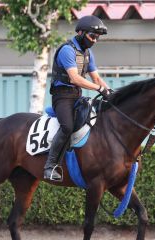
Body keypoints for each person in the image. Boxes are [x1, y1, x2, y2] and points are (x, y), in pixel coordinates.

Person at [43, 15, 112, 181]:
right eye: (92, 36)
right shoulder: (67, 50)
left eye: (97, 38)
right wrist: (99, 89)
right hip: (62, 97)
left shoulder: (88, 54)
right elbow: (74, 78)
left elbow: (96, 78)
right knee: (67, 126)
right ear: (81, 33)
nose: (95, 40)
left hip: (77, 96)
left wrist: (110, 92)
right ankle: (50, 166)